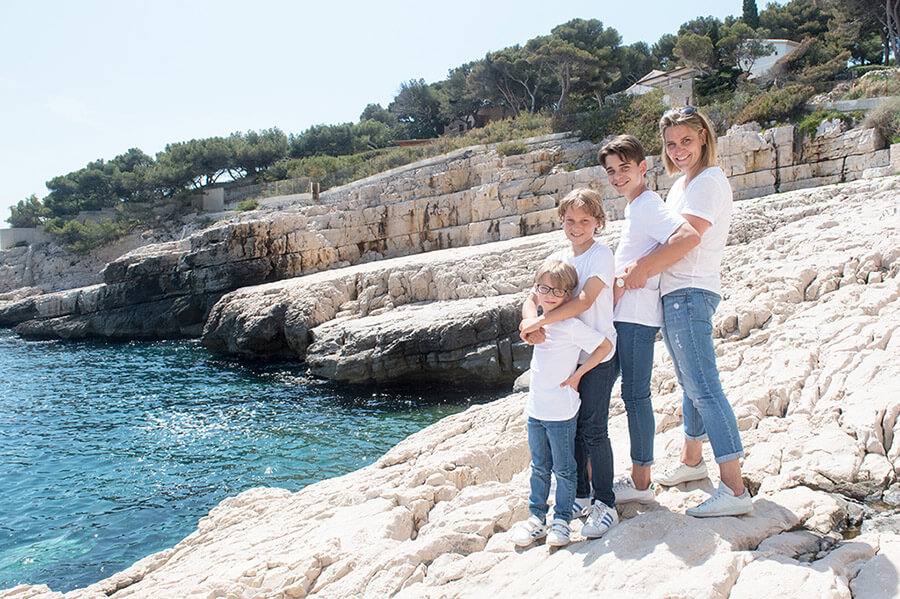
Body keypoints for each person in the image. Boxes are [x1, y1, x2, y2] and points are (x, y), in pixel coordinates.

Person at [620, 107, 752, 517]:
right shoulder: (683, 185)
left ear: (704, 139)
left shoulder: (709, 181)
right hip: (678, 293)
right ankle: (693, 462)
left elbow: (688, 238)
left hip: (689, 292)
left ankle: (734, 489)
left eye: (686, 141)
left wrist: (641, 269)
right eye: (671, 143)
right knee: (689, 383)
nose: (678, 150)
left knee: (704, 386)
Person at [597, 135, 700, 505]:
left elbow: (687, 237)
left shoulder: (645, 205)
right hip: (624, 316)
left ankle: (641, 484)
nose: (617, 176)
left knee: (635, 395)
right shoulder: (637, 207)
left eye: (625, 168)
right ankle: (623, 478)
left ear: (643, 167)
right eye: (611, 171)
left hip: (637, 319)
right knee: (617, 394)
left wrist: (631, 275)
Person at [519, 188, 619, 538]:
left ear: (598, 222)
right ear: (562, 221)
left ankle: (605, 503)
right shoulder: (560, 256)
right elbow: (533, 296)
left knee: (593, 430)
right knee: (572, 430)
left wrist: (541, 323)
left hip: (596, 355)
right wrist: (527, 322)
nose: (577, 227)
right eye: (570, 220)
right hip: (566, 355)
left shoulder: (601, 255)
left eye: (585, 221)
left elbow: (586, 301)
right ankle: (578, 495)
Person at [511, 260, 614, 548]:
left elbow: (605, 347)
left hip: (561, 413)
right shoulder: (536, 327)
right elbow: (529, 307)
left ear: (568, 295)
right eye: (544, 289)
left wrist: (578, 375)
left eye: (558, 291)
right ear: (536, 289)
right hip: (536, 411)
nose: (550, 295)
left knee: (565, 470)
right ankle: (536, 519)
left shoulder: (569, 327)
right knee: (539, 468)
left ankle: (562, 520)